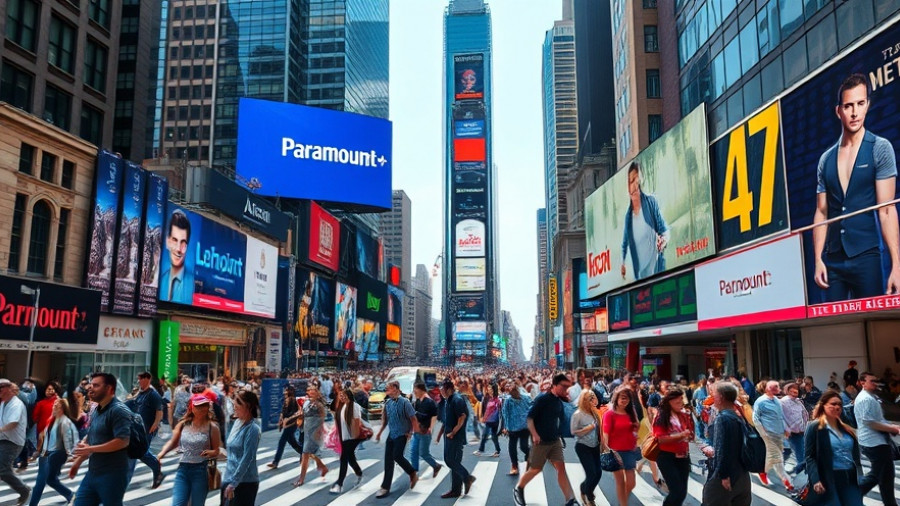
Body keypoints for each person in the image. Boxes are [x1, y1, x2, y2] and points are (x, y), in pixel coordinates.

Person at [812, 73, 900, 302]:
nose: (854, 112)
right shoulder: (825, 159)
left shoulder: (880, 148)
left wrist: (897, 266)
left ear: (867, 105)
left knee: (875, 325)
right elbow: (822, 212)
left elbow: (887, 210)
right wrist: (818, 258)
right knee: (836, 327)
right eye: (848, 106)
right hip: (832, 260)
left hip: (866, 256)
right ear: (838, 110)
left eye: (860, 104)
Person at [513, 373, 578, 506]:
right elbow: (530, 418)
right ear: (554, 384)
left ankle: (570, 499)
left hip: (554, 441)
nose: (566, 389)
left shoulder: (559, 400)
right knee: (535, 469)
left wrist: (562, 435)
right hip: (541, 442)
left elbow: (561, 419)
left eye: (568, 387)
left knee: (561, 468)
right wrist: (535, 435)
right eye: (564, 386)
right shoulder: (542, 399)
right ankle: (518, 488)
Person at [69, 372, 132, 506]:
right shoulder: (97, 409)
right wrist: (78, 462)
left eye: (96, 385)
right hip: (93, 473)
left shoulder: (119, 410)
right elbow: (92, 435)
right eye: (91, 385)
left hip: (112, 475)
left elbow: (123, 441)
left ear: (109, 389)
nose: (90, 388)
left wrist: (91, 449)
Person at [157, 394, 221, 506]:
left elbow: (217, 450)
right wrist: (161, 454)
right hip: (183, 470)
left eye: (204, 406)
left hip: (201, 471)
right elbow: (173, 442)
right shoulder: (183, 424)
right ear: (191, 408)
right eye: (198, 406)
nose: (201, 409)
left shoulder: (212, 427)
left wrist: (211, 452)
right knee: (178, 504)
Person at [804, 390, 865, 506]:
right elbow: (810, 456)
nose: (837, 407)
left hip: (849, 477)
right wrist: (816, 480)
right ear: (823, 405)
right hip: (828, 478)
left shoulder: (846, 428)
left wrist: (860, 476)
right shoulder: (815, 427)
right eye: (833, 404)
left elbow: (856, 458)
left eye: (839, 404)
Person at [701, 382, 752, 506]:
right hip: (743, 475)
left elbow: (722, 449)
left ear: (721, 398)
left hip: (726, 476)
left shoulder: (722, 419)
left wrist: (724, 475)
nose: (712, 398)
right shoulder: (738, 416)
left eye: (714, 395)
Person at [855, 372, 900, 505]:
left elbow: (877, 419)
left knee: (886, 477)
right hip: (874, 443)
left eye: (876, 380)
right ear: (863, 382)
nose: (875, 383)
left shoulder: (871, 397)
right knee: (877, 475)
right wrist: (892, 429)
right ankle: (851, 495)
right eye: (872, 381)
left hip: (876, 441)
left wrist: (891, 426)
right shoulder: (866, 399)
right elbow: (869, 422)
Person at [620, 161, 670, 281]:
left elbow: (664, 231)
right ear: (628, 186)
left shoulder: (651, 203)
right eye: (632, 181)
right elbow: (625, 243)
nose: (635, 186)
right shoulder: (628, 217)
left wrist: (663, 240)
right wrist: (622, 263)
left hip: (658, 272)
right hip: (641, 279)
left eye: (638, 181)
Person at [374, 380, 419, 498]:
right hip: (392, 434)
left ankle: (412, 472)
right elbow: (385, 421)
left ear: (395, 388)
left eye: (388, 388)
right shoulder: (388, 403)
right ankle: (385, 487)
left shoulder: (405, 402)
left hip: (402, 434)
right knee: (388, 459)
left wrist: (411, 433)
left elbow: (413, 418)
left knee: (397, 456)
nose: (386, 390)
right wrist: (379, 433)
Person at [30, 398, 77, 506]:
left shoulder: (64, 422)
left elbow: (67, 439)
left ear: (63, 409)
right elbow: (45, 437)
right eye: (54, 405)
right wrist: (39, 451)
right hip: (45, 454)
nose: (54, 407)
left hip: (55, 455)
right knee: (50, 480)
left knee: (40, 482)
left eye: (57, 406)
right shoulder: (51, 419)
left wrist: (70, 455)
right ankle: (70, 495)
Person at [652, 389, 694, 506]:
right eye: (678, 401)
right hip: (667, 457)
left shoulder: (684, 415)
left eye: (682, 400)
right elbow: (660, 439)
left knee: (682, 492)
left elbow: (690, 433)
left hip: (683, 456)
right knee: (676, 491)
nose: (681, 402)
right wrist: (680, 435)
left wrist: (689, 435)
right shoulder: (661, 417)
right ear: (669, 402)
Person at [221, 390, 261, 505]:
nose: (234, 405)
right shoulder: (236, 423)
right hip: (229, 479)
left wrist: (233, 483)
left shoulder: (253, 429)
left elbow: (247, 458)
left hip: (245, 483)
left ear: (247, 406)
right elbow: (230, 452)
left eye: (237, 402)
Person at [601, 387, 640, 506]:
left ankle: (623, 498)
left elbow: (636, 426)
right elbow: (605, 433)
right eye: (622, 398)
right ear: (616, 398)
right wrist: (606, 450)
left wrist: (635, 430)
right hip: (615, 451)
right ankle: (623, 504)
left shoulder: (631, 411)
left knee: (631, 483)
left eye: (627, 398)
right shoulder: (609, 414)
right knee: (620, 482)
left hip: (629, 450)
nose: (625, 401)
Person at [126, 371, 165, 488]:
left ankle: (156, 468)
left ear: (147, 379)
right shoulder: (141, 393)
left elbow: (159, 411)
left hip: (147, 429)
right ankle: (157, 469)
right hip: (137, 430)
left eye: (141, 379)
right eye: (138, 379)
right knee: (140, 453)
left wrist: (155, 424)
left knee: (137, 453)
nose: (139, 381)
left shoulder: (153, 395)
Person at [436, 379, 474, 499]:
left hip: (455, 437)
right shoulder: (448, 400)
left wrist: (453, 432)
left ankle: (467, 478)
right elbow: (446, 419)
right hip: (448, 435)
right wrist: (440, 433)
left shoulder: (457, 400)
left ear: (448, 389)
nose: (441, 392)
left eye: (442, 390)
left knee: (450, 461)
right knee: (453, 462)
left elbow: (462, 417)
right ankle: (456, 490)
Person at [751, 380, 792, 490]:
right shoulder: (760, 401)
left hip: (779, 434)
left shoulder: (777, 402)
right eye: (774, 387)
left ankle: (762, 470)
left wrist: (786, 429)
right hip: (768, 434)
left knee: (777, 455)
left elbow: (780, 417)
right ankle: (787, 481)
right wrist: (763, 433)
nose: (777, 389)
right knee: (777, 457)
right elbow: (755, 419)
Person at [0, 380, 30, 505]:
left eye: (1, 387)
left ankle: (23, 490)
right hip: (3, 439)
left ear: (9, 389)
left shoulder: (17, 404)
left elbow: (13, 423)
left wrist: (0, 429)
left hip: (12, 442)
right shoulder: (3, 403)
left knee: (2, 469)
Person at [571, 390, 603, 506]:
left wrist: (603, 444)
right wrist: (588, 428)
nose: (593, 400)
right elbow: (573, 432)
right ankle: (589, 495)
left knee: (598, 473)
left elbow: (600, 430)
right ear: (584, 400)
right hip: (583, 446)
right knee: (591, 473)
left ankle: (585, 488)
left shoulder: (596, 413)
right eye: (590, 398)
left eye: (594, 397)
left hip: (595, 446)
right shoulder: (578, 414)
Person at [330, 389, 364, 494]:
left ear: (349, 395)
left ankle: (339, 484)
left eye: (344, 395)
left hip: (352, 438)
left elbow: (357, 422)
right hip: (345, 438)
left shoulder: (354, 406)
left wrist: (355, 437)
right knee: (350, 459)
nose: (342, 397)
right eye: (341, 396)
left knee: (344, 459)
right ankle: (359, 473)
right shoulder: (342, 407)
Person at [294, 385, 329, 486]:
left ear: (316, 392)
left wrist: (319, 432)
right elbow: (302, 414)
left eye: (312, 390)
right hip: (306, 431)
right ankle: (322, 466)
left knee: (305, 454)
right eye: (308, 390)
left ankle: (301, 478)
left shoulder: (319, 404)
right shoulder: (306, 403)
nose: (309, 391)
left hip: (315, 432)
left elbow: (322, 418)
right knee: (310, 453)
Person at [159, 209, 195, 303]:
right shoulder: (161, 280)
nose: (178, 249)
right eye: (175, 240)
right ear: (168, 242)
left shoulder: (193, 284)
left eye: (183, 243)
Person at [409, 382, 441, 478]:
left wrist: (431, 428)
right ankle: (415, 472)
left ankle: (436, 466)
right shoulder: (417, 401)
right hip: (417, 431)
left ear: (422, 390)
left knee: (424, 453)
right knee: (413, 451)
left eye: (416, 390)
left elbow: (434, 415)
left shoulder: (430, 402)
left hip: (425, 431)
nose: (414, 392)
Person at [501, 380, 533, 476]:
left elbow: (531, 408)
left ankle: (530, 454)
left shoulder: (526, 398)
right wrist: (506, 427)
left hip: (524, 426)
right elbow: (505, 414)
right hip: (512, 427)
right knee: (512, 446)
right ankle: (514, 466)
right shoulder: (507, 400)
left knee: (523, 446)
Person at [267, 385, 303, 469]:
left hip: (291, 424)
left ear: (290, 391)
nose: (284, 392)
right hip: (287, 424)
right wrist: (281, 421)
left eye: (286, 390)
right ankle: (304, 452)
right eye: (285, 390)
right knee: (292, 442)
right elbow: (283, 411)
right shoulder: (285, 400)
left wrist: (287, 419)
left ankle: (275, 462)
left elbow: (295, 413)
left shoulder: (293, 400)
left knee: (282, 442)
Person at [780, 382, 809, 475]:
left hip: (801, 431)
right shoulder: (783, 402)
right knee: (800, 455)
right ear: (787, 390)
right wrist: (786, 428)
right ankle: (801, 475)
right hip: (791, 433)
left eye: (796, 389)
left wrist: (805, 425)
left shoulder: (798, 401)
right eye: (792, 389)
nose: (794, 390)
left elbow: (804, 414)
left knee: (793, 452)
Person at [475, 384, 501, 457]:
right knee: (490, 435)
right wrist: (484, 417)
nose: (488, 389)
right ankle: (496, 450)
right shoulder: (489, 398)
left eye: (490, 388)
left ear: (493, 390)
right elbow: (486, 410)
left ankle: (482, 450)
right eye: (488, 388)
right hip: (489, 420)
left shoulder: (497, 400)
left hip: (494, 420)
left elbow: (498, 411)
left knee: (490, 435)